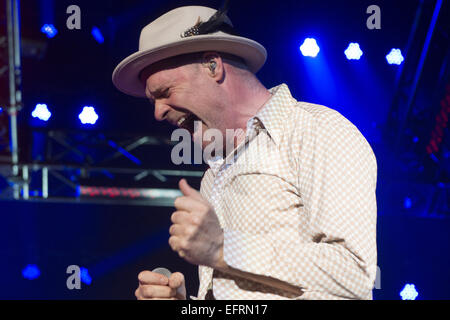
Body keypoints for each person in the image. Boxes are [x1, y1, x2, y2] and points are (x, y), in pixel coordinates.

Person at [112, 5, 378, 300]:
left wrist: (224, 248)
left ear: (213, 66)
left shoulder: (316, 130)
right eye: (152, 102)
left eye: (164, 92)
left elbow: (354, 275)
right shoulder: (214, 176)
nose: (158, 112)